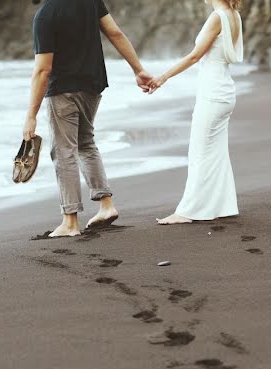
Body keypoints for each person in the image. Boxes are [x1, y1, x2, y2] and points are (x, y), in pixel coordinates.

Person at [23, 0, 153, 238]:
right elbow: (115, 32)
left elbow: (43, 70)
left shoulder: (45, 15)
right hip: (92, 86)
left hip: (63, 90)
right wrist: (138, 69)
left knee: (64, 151)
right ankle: (106, 205)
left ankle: (70, 221)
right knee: (85, 142)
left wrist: (31, 115)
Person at [150, 0, 244, 225]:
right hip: (224, 90)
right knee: (217, 151)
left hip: (213, 93)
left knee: (200, 152)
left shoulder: (217, 17)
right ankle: (224, 205)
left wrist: (162, 78)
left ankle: (187, 211)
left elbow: (194, 56)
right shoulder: (233, 14)